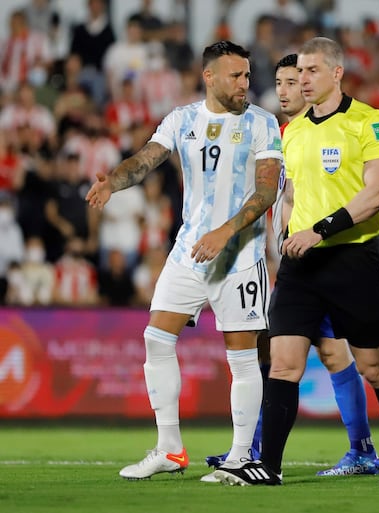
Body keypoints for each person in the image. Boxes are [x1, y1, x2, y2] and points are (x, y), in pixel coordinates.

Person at [214, 37, 379, 486]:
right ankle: (269, 467)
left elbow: (378, 194)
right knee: (284, 363)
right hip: (300, 265)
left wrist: (318, 230)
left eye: (311, 71)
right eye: (298, 72)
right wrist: (281, 240)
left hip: (352, 260)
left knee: (374, 367)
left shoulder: (371, 123)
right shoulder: (294, 130)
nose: (301, 80)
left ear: (337, 73)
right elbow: (290, 197)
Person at [86, 40, 283, 480]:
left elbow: (267, 191)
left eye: (248, 75)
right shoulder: (183, 119)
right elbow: (144, 160)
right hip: (189, 251)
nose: (245, 83)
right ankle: (170, 448)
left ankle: (240, 456)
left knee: (242, 357)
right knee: (156, 339)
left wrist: (226, 231)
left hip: (239, 256)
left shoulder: (262, 123)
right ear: (209, 76)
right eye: (236, 75)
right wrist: (113, 183)